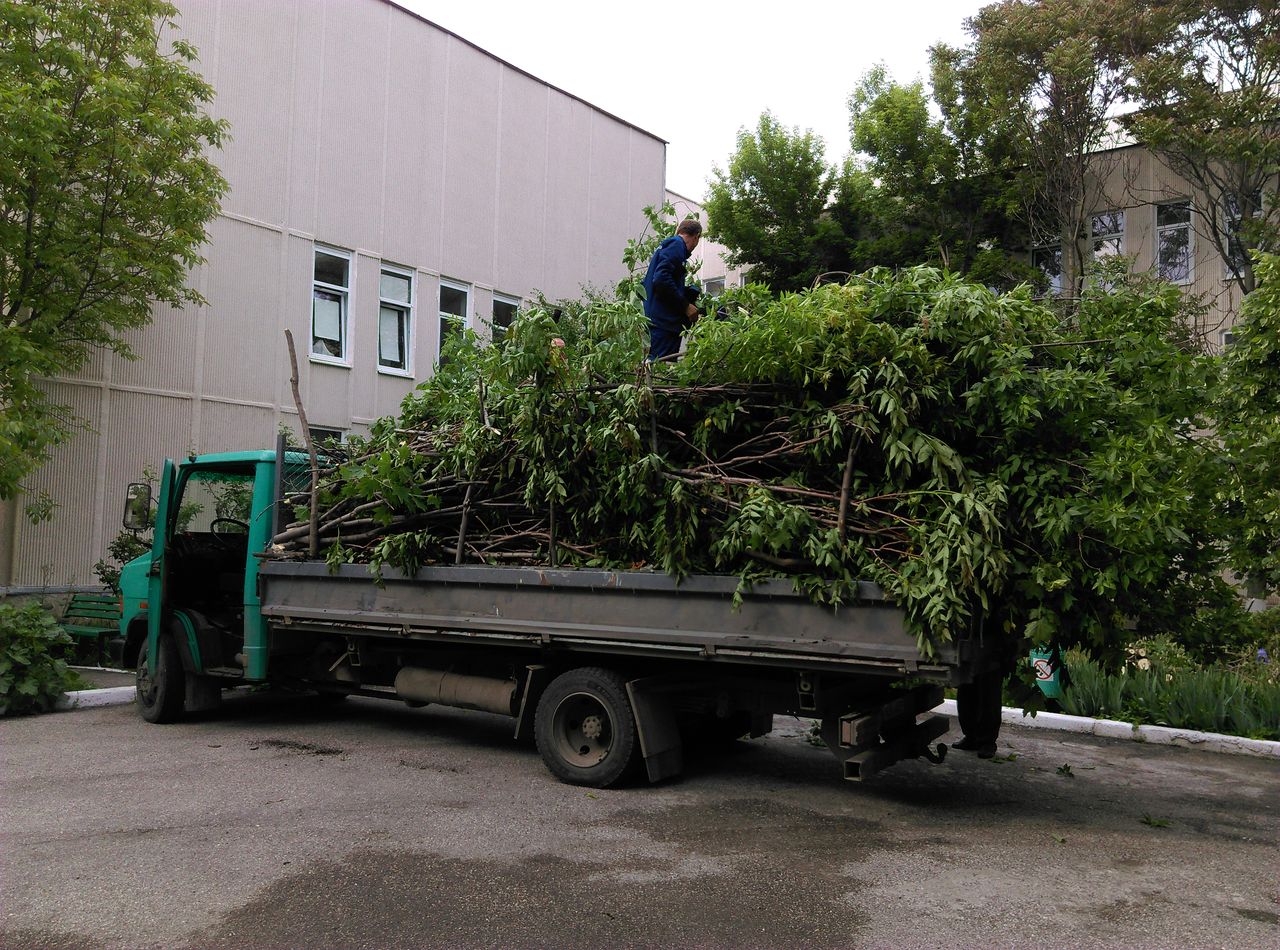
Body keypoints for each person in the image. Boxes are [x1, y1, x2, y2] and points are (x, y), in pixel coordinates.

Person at [642, 218, 702, 361]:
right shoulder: (677, 244)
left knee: (654, 367)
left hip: (658, 319)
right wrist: (686, 306)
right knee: (661, 367)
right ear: (696, 237)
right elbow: (661, 279)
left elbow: (654, 280)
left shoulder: (668, 247)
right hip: (664, 323)